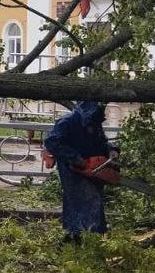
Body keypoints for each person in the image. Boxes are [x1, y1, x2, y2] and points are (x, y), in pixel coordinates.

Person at [43, 101, 112, 243]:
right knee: (87, 200)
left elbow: (103, 142)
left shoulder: (95, 122)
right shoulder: (67, 122)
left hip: (93, 168)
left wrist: (112, 151)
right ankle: (86, 236)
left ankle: (75, 235)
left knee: (90, 200)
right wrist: (75, 158)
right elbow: (52, 142)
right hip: (72, 169)